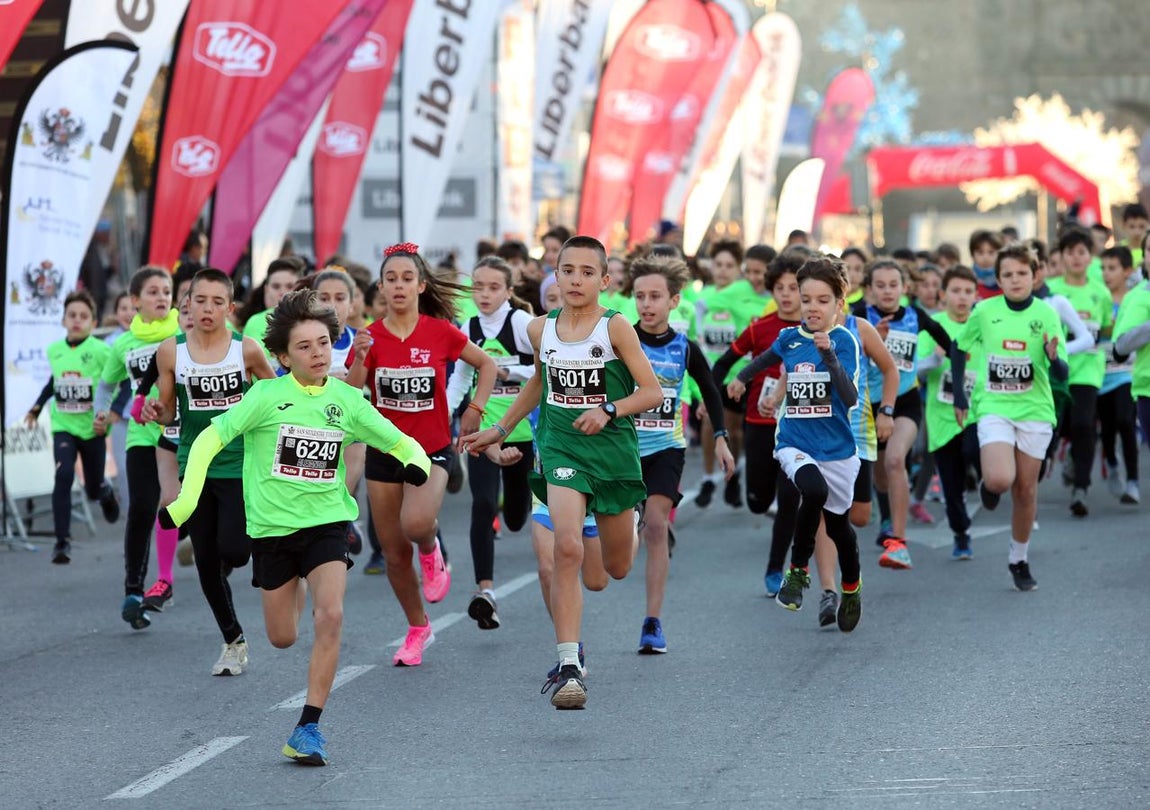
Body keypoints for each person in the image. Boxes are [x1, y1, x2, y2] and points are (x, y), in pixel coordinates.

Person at [158, 290, 430, 765]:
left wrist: (414, 463)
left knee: (331, 616)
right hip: (271, 531)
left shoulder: (346, 399)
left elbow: (397, 438)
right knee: (282, 636)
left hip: (327, 523)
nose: (318, 353)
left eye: (323, 343)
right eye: (304, 347)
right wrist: (184, 503)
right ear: (282, 357)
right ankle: (295, 584)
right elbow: (205, 440)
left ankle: (308, 727)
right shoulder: (264, 396)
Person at [461, 235, 663, 709]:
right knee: (565, 547)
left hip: (611, 452)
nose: (575, 279)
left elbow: (651, 391)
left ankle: (624, 520)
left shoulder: (615, 328)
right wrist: (501, 427)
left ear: (605, 280)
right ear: (555, 274)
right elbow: (539, 380)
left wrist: (610, 409)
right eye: (566, 270)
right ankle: (570, 666)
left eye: (586, 272)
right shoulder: (540, 329)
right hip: (561, 446)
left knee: (611, 571)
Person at [345, 243, 498, 666]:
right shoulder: (370, 336)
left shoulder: (439, 331)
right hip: (384, 451)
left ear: (421, 285)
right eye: (390, 279)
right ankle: (418, 628)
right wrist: (358, 357)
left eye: (406, 278)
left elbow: (486, 366)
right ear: (380, 286)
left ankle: (432, 551)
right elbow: (349, 391)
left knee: (415, 524)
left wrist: (474, 408)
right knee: (393, 552)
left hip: (431, 449)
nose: (398, 286)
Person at [142, 268, 276, 674]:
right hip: (195, 464)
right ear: (187, 304)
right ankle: (233, 641)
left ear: (230, 308)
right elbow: (168, 410)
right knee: (205, 563)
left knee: (234, 550)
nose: (208, 309)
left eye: (218, 302)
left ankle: (225, 556)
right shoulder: (171, 352)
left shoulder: (247, 350)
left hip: (239, 463)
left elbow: (276, 398)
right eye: (200, 300)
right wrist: (157, 410)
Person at [732, 256, 863, 630]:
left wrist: (830, 357)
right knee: (812, 490)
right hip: (794, 440)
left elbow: (850, 397)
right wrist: (741, 379)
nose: (813, 308)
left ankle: (851, 588)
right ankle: (798, 571)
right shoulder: (789, 338)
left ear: (840, 303)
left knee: (840, 530)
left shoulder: (844, 341)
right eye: (807, 300)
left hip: (837, 449)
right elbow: (764, 360)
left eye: (823, 300)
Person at [631, 254, 734, 653]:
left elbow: (710, 388)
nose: (647, 304)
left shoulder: (683, 347)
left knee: (656, 527)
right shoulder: (620, 341)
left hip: (665, 448)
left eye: (656, 296)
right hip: (622, 450)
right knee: (622, 542)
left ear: (674, 301)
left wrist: (721, 437)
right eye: (640, 296)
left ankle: (652, 622)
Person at [950, 244, 1068, 591]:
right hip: (995, 407)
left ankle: (1018, 558)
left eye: (1022, 273)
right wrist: (960, 394)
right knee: (1002, 480)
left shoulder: (1047, 313)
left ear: (1034, 276)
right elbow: (959, 347)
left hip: (1035, 409)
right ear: (998, 279)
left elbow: (1061, 372)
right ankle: (989, 485)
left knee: (1026, 489)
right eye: (1008, 275)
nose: (1015, 280)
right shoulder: (985, 311)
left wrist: (1052, 356)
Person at [445, 256, 537, 629]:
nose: (484, 294)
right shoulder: (467, 326)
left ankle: (512, 503)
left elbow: (546, 370)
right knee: (482, 503)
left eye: (493, 287)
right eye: (478, 287)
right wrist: (445, 418)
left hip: (523, 432)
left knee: (515, 518)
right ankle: (485, 590)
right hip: (482, 430)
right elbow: (460, 379)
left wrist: (508, 370)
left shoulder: (521, 324)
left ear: (509, 292)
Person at [851, 260, 954, 569]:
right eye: (880, 285)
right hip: (866, 403)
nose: (887, 291)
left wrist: (960, 387)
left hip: (905, 402)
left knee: (896, 460)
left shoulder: (915, 316)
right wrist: (869, 343)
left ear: (904, 288)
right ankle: (885, 515)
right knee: (880, 475)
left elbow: (951, 345)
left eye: (893, 285)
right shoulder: (857, 316)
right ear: (869, 289)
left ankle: (898, 542)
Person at [94, 266, 179, 630]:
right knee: (143, 508)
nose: (162, 297)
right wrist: (102, 412)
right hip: (140, 436)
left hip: (180, 433)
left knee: (179, 504)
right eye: (153, 292)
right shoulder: (124, 345)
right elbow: (105, 385)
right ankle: (134, 591)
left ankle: (185, 556)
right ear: (134, 301)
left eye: (166, 291)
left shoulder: (183, 334)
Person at [25, 291, 120, 563]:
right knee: (64, 474)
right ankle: (62, 542)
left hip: (92, 429)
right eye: (72, 316)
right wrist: (36, 407)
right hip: (63, 425)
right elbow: (53, 383)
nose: (77, 321)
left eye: (83, 316)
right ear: (64, 320)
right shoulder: (55, 350)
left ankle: (104, 492)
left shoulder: (102, 351)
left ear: (93, 322)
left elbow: (117, 380)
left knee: (91, 489)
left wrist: (111, 410)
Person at [916, 266, 981, 558]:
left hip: (977, 411)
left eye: (968, 292)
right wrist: (934, 358)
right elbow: (915, 368)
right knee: (951, 484)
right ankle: (961, 534)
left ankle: (985, 481)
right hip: (941, 417)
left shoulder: (982, 324)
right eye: (956, 291)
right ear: (943, 295)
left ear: (976, 295)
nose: (962, 297)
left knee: (974, 451)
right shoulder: (934, 325)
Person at [1047, 227, 1111, 517]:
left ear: (1090, 256)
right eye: (1069, 252)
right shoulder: (1052, 290)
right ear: (1061, 256)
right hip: (1056, 372)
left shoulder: (1100, 292)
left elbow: (1106, 328)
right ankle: (1070, 455)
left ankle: (1081, 489)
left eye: (1081, 252)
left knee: (1085, 425)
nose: (1075, 258)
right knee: (1061, 427)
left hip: (1088, 370)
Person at [694, 240, 758, 508]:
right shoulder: (702, 298)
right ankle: (709, 478)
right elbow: (695, 334)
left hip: (739, 375)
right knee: (710, 424)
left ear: (738, 269)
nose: (722, 270)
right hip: (711, 374)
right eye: (718, 264)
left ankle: (735, 472)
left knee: (735, 431)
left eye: (729, 266)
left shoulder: (745, 293)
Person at [1096, 247, 1139, 504]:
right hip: (1099, 374)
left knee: (1125, 421)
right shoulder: (1097, 297)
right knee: (1108, 428)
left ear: (1127, 271)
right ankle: (1111, 461)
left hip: (1126, 372)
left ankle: (1133, 481)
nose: (1106, 274)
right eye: (1102, 268)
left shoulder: (1134, 299)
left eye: (1112, 268)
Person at [241, 257, 306, 365]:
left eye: (290, 286)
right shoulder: (255, 322)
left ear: (302, 289)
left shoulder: (313, 321)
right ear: (266, 290)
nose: (283, 292)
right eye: (276, 287)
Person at [970, 229, 1005, 299]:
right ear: (972, 255)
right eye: (980, 252)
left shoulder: (1006, 280)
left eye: (991, 252)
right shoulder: (968, 279)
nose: (985, 257)